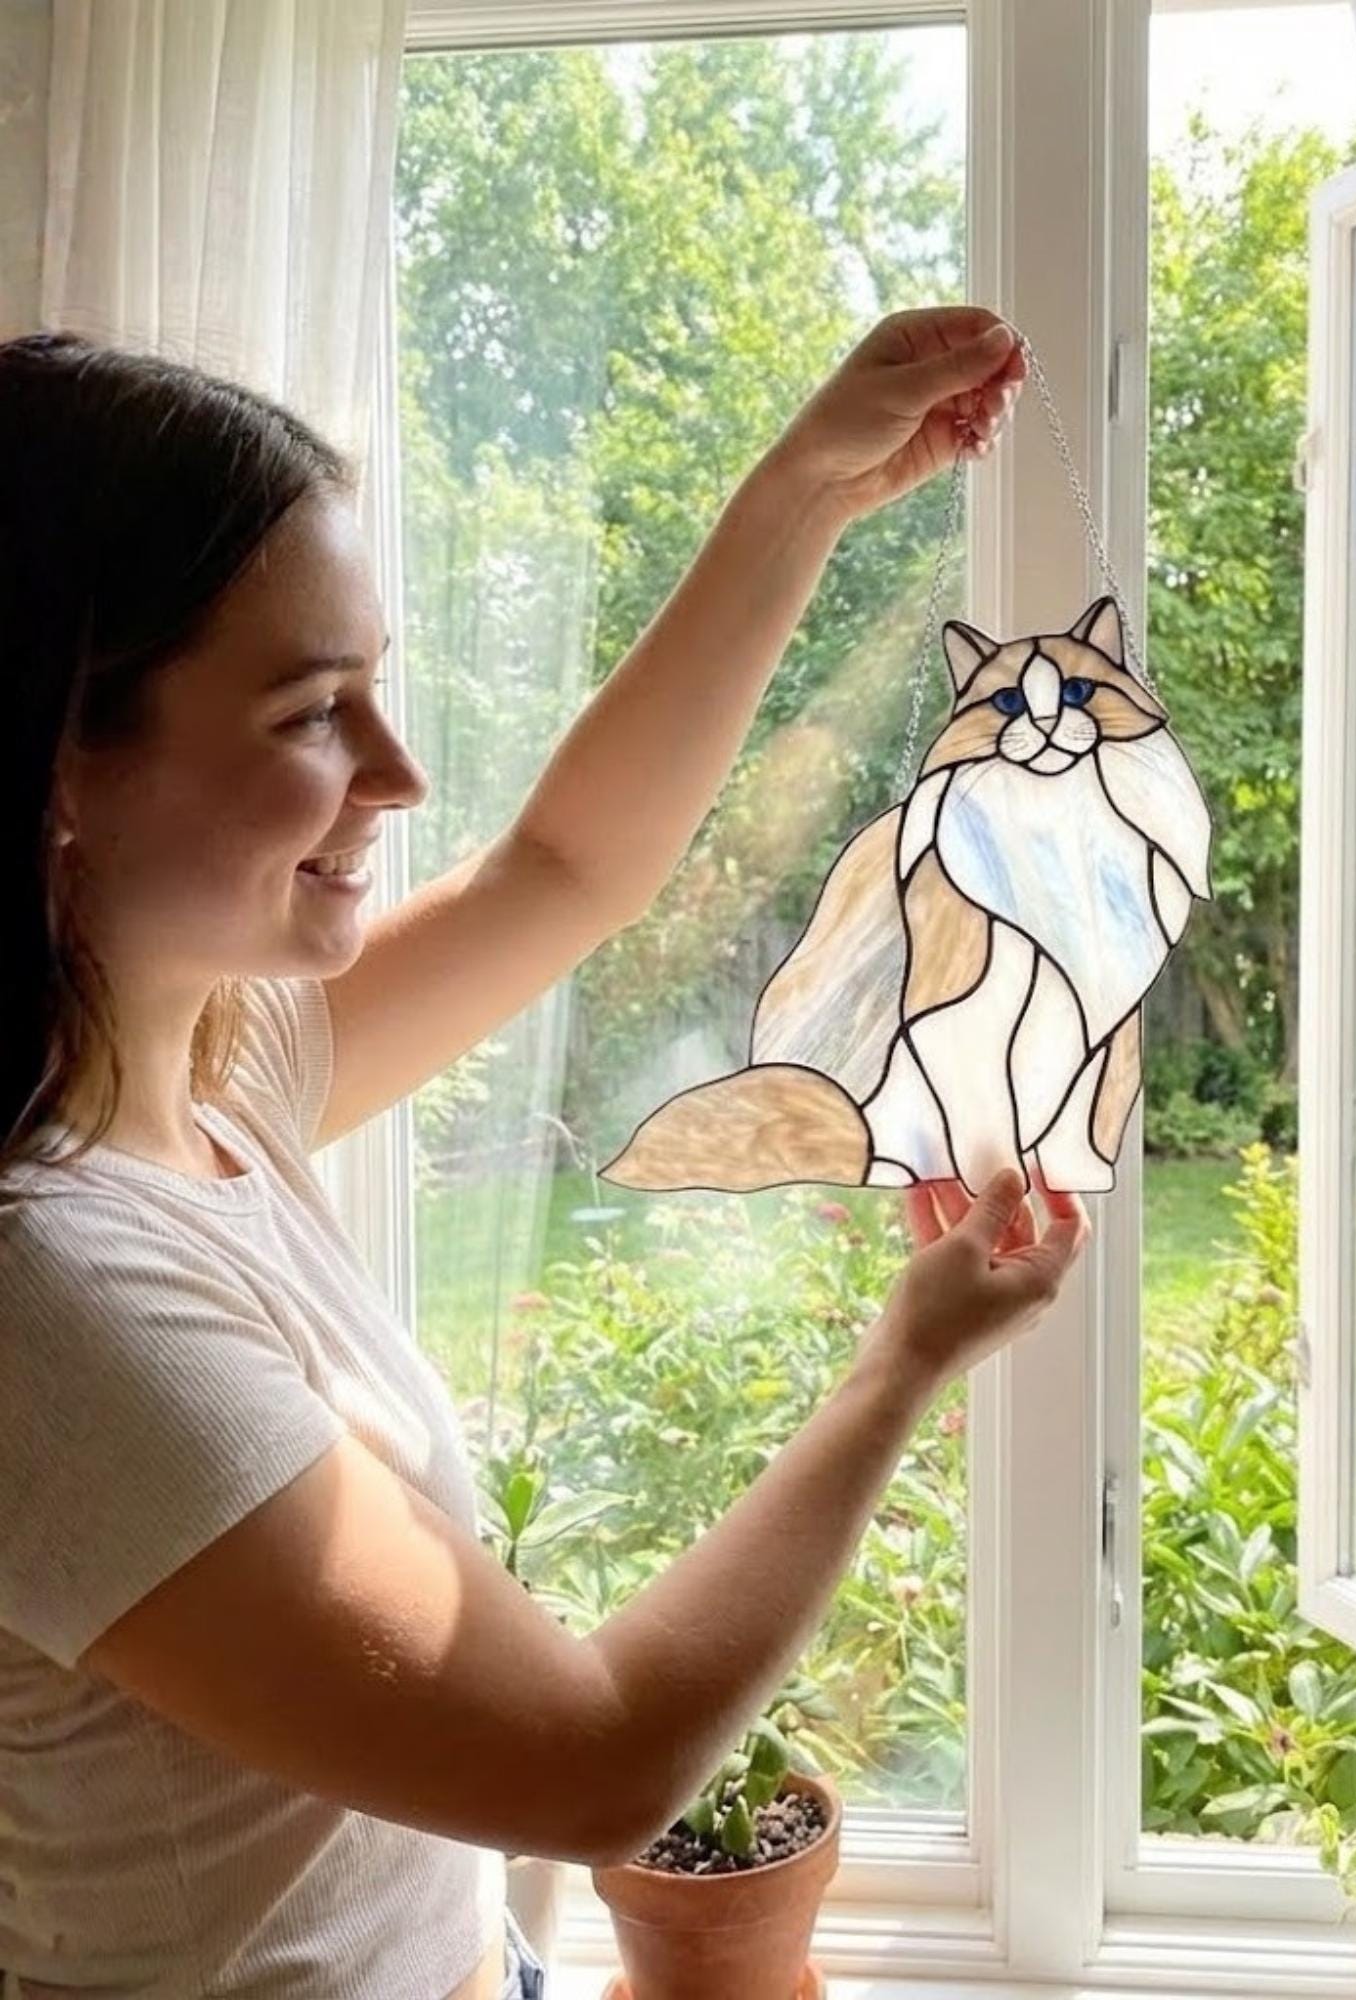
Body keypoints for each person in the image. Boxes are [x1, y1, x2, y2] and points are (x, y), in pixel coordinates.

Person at [0, 309, 1081, 2000]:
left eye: (379, 685)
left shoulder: (210, 1075)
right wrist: (902, 1365)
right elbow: (592, 1767)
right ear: (62, 757)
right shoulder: (43, 1294)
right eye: (310, 714)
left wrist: (805, 489)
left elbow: (567, 867)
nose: (400, 772)